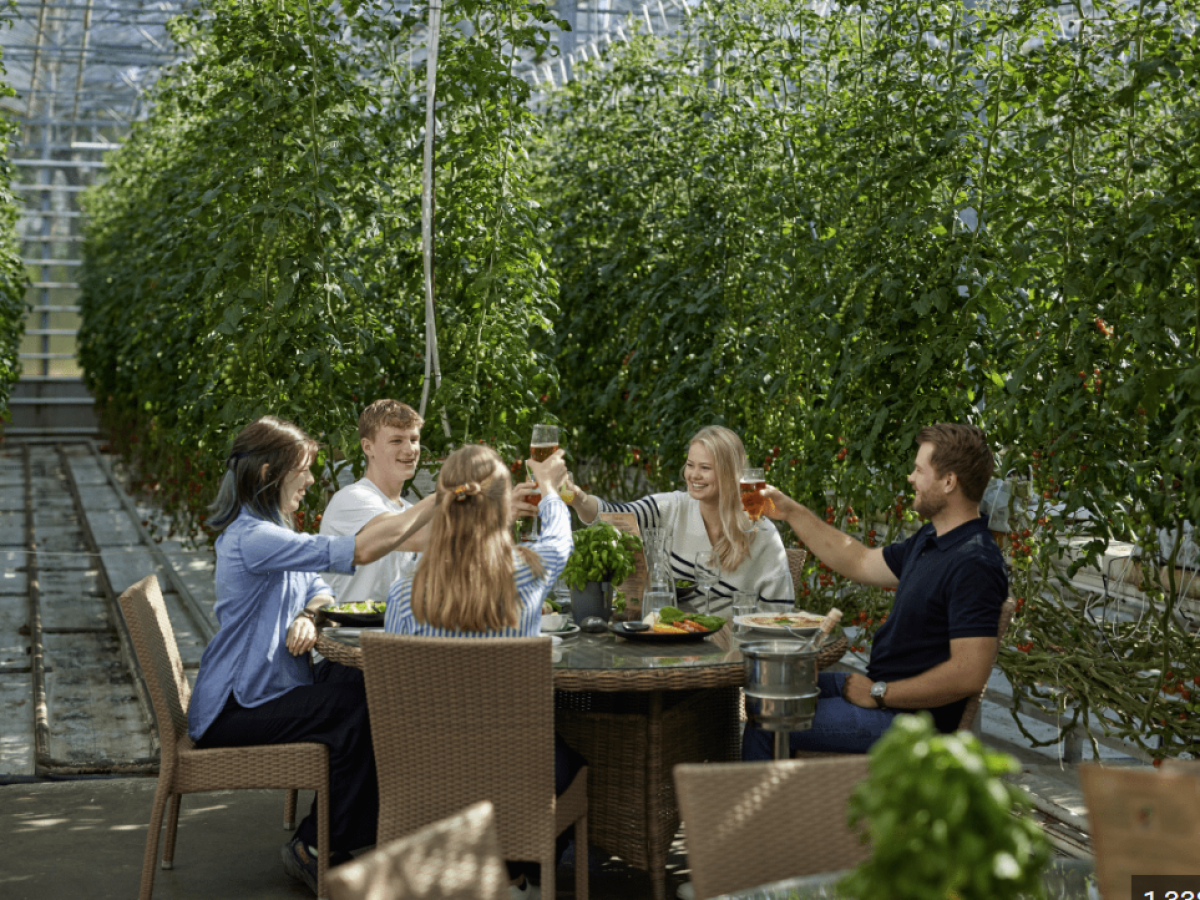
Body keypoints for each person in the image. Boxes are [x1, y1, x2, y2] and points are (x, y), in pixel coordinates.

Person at [187, 415, 435, 895]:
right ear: (267, 473)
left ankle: (353, 832)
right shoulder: (253, 537)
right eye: (302, 468)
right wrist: (439, 499)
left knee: (370, 687)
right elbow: (359, 551)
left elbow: (320, 588)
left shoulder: (272, 526)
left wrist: (308, 615)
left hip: (274, 685)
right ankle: (316, 845)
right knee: (358, 712)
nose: (312, 479)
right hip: (237, 707)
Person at [384, 442, 582, 900]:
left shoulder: (404, 592)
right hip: (519, 778)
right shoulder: (529, 570)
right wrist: (550, 489)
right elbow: (560, 539)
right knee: (574, 761)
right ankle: (514, 874)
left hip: (424, 776)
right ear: (498, 506)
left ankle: (488, 875)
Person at [743, 422, 1007, 759]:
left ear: (949, 481)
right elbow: (859, 560)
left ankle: (763, 812)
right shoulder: (931, 540)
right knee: (764, 691)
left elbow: (969, 673)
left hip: (909, 719)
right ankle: (785, 801)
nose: (910, 478)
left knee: (768, 719)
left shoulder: (975, 562)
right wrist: (792, 512)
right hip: (884, 695)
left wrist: (880, 693)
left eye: (918, 469)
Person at [321, 399, 540, 602]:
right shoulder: (352, 499)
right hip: (347, 633)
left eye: (414, 440)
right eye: (396, 440)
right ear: (368, 447)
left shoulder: (408, 510)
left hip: (393, 632)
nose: (409, 450)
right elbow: (406, 536)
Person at [562, 425, 794, 616]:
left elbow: (780, 613)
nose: (693, 475)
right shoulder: (672, 508)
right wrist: (578, 499)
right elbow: (615, 516)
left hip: (733, 654)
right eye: (690, 465)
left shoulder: (762, 534)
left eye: (705, 468)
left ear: (728, 473)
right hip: (673, 643)